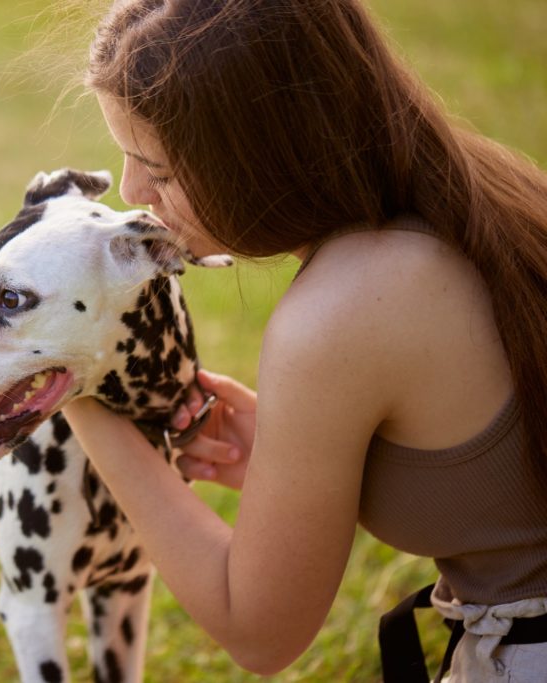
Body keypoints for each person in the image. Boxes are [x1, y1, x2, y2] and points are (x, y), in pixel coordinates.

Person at [60, 0, 547, 679]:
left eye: (161, 170)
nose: (133, 190)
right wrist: (312, 457)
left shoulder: (340, 311)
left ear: (265, 153)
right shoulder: (486, 188)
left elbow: (258, 631)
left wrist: (75, 386)